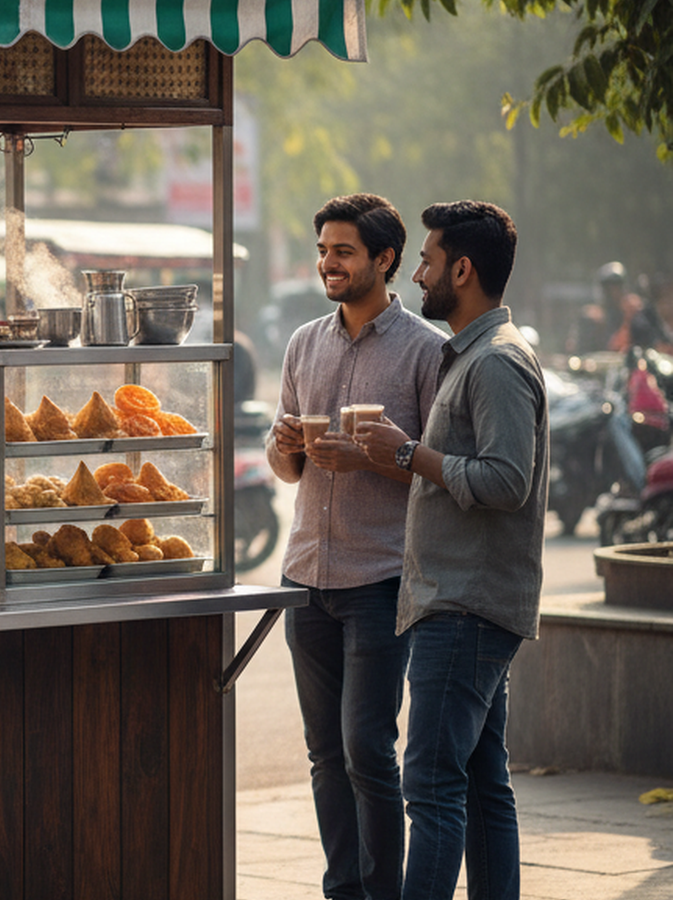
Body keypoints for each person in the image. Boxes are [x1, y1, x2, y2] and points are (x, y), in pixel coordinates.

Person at [356, 201, 546, 900]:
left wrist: (409, 453)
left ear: (462, 270)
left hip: (465, 607)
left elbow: (507, 481)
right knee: (481, 783)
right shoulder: (474, 355)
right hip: (469, 603)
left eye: (429, 262)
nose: (419, 275)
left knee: (430, 787)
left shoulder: (495, 363)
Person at [266, 193, 446, 900]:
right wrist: (286, 448)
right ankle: (342, 890)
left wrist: (370, 458)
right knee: (322, 757)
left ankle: (383, 893)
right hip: (304, 575)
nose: (327, 264)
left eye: (342, 251)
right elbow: (289, 472)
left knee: (367, 750)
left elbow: (435, 469)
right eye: (322, 251)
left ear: (384, 259)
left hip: (378, 580)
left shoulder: (427, 352)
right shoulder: (303, 343)